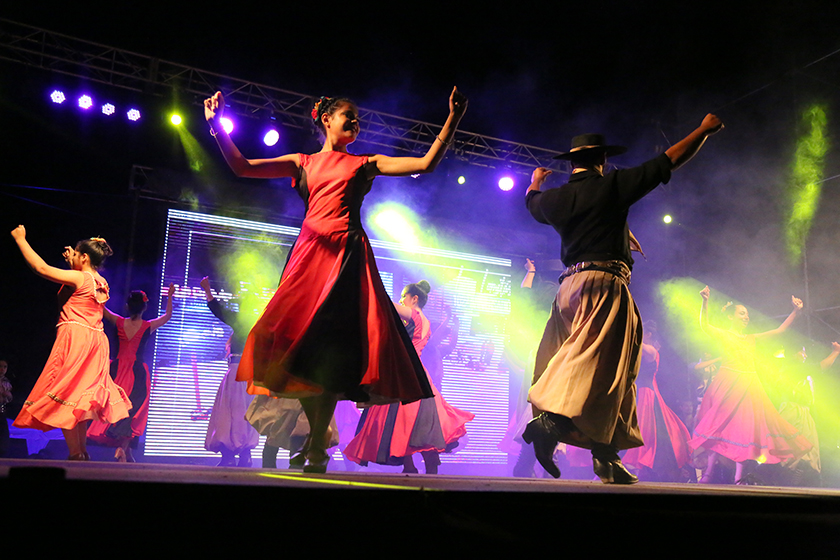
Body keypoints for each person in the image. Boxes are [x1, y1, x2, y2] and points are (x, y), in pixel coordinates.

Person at [204, 87, 468, 472]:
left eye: (358, 118)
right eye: (349, 115)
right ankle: (315, 440)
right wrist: (216, 126)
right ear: (326, 119)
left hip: (347, 259)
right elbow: (243, 167)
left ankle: (315, 446)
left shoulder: (364, 163)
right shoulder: (303, 162)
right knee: (299, 349)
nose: (356, 122)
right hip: (310, 259)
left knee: (331, 351)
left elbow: (425, 163)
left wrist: (453, 119)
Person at [521, 114, 724, 483]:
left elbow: (532, 202)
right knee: (610, 370)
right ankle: (552, 423)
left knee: (602, 366)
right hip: (603, 284)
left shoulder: (555, 198)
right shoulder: (611, 186)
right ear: (603, 159)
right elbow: (668, 161)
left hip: (568, 288)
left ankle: (605, 455)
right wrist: (703, 130)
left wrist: (535, 182)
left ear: (573, 163)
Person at [11, 226, 131, 460]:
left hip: (76, 338)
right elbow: (70, 296)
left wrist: (21, 239)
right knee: (79, 397)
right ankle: (80, 451)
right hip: (96, 341)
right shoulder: (100, 281)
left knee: (68, 392)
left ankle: (76, 452)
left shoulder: (80, 277)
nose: (71, 256)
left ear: (84, 257)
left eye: (75, 254)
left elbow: (41, 268)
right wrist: (74, 267)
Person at [343, 280, 474, 474]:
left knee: (409, 420)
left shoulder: (416, 315)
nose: (401, 299)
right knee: (408, 421)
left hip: (408, 375)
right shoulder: (422, 321)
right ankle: (412, 465)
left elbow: (386, 304)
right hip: (412, 374)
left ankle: (420, 464)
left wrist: (366, 283)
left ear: (415, 298)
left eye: (404, 296)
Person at [690, 286, 813, 484]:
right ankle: (708, 473)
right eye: (742, 313)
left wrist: (795, 312)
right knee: (718, 426)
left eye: (747, 314)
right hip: (729, 383)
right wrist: (705, 301)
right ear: (730, 317)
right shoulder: (725, 334)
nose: (746, 317)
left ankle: (739, 478)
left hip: (749, 385)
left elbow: (779, 331)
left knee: (745, 430)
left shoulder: (751, 338)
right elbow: (705, 325)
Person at [87, 284, 175, 461]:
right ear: (145, 307)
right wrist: (170, 296)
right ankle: (122, 448)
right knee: (133, 410)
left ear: (127, 306)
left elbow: (101, 308)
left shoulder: (120, 322)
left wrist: (98, 292)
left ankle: (126, 450)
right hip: (136, 373)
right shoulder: (147, 326)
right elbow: (167, 316)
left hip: (117, 370)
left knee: (118, 407)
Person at [200, 276, 260, 467]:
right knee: (244, 413)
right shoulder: (258, 323)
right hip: (248, 374)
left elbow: (219, 311)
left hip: (238, 372)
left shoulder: (244, 322)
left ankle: (230, 455)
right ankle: (244, 454)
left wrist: (207, 290)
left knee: (229, 413)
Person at [620, 325, 692, 481]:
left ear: (648, 334)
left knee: (645, 430)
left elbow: (635, 343)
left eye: (641, 333)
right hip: (639, 392)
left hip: (646, 394)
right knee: (643, 430)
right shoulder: (643, 350)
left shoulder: (651, 350)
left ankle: (641, 465)